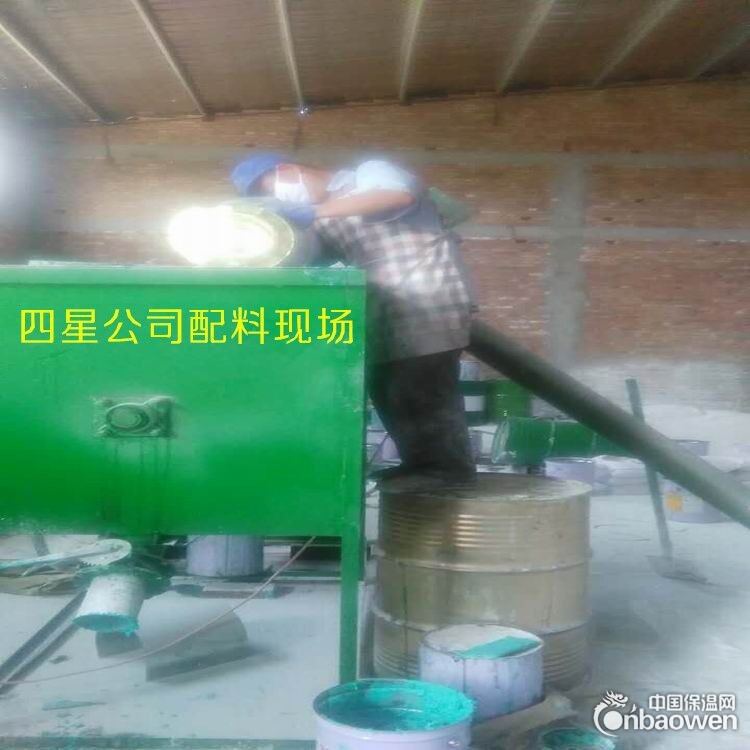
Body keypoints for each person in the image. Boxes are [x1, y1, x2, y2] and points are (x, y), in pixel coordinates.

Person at [231, 153, 477, 490]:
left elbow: (398, 196)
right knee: (388, 388)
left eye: (267, 188)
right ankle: (419, 465)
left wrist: (311, 213)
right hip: (382, 306)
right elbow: (307, 260)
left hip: (428, 294)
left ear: (286, 170)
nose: (274, 198)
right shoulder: (320, 218)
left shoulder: (368, 175)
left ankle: (448, 470)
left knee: (421, 382)